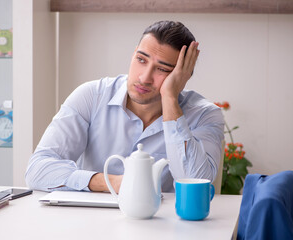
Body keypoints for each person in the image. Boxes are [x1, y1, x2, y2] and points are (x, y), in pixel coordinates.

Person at [25, 20, 224, 193]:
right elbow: (37, 171)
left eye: (162, 69)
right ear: (132, 56)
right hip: (87, 221)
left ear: (183, 75)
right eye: (141, 60)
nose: (144, 77)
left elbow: (197, 183)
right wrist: (113, 183)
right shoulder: (91, 96)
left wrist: (170, 98)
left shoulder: (204, 115)